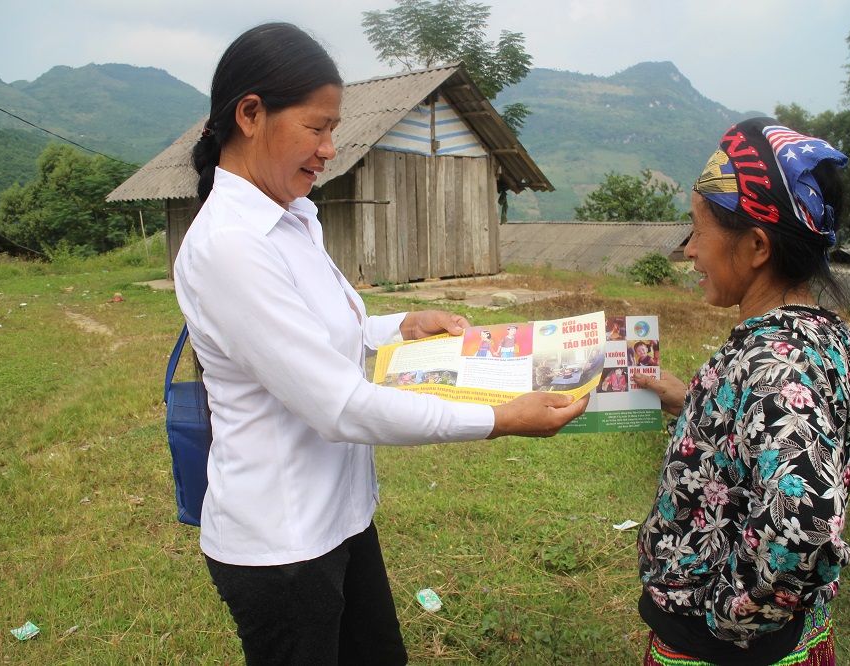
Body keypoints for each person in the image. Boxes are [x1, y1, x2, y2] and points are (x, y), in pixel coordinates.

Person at [173, 23, 587, 666]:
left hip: (339, 518)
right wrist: (500, 419)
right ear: (250, 114)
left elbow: (325, 336)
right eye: (317, 128)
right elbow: (338, 404)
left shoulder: (291, 219)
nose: (330, 149)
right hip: (283, 547)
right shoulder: (231, 244)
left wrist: (400, 326)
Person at [633, 118, 850, 666]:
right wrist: (692, 403)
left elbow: (805, 515)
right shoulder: (823, 336)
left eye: (699, 229)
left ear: (757, 245)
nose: (689, 249)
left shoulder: (772, 363)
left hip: (723, 649)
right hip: (791, 634)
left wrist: (727, 618)